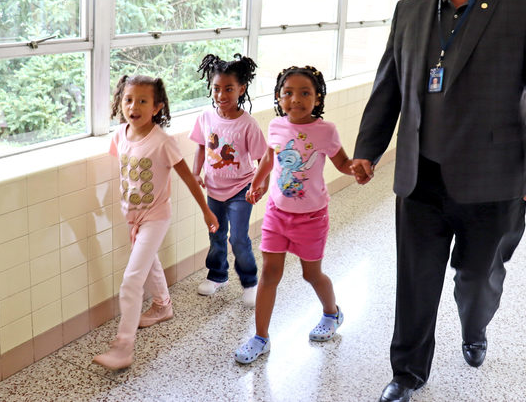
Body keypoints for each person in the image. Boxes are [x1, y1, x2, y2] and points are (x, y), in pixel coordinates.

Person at [351, 0, 526, 402]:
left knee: (476, 277)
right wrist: (368, 150)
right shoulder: (410, 10)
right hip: (420, 176)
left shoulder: (524, 7)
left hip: (493, 178)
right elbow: (389, 86)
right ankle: (407, 373)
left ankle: (475, 326)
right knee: (415, 282)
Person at [93, 75, 219, 370]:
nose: (133, 106)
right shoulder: (119, 134)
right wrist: (104, 202)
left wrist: (206, 211)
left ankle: (123, 348)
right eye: (128, 99)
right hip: (131, 215)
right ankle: (163, 305)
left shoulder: (163, 141)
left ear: (157, 107)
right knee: (148, 261)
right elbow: (124, 172)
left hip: (155, 217)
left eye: (142, 101)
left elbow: (188, 178)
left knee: (131, 279)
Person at [233, 65, 355, 364]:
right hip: (277, 213)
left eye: (305, 93)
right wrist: (257, 182)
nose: (295, 99)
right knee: (270, 273)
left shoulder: (325, 130)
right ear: (278, 96)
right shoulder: (276, 126)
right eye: (288, 93)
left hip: (312, 217)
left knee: (310, 274)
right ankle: (260, 337)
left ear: (317, 97)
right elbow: (270, 157)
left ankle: (332, 313)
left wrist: (359, 168)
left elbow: (343, 163)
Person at [190, 53, 268, 307]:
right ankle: (217, 275)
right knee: (216, 233)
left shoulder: (248, 124)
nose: (222, 95)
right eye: (216, 88)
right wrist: (195, 172)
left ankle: (249, 282)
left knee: (238, 238)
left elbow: (262, 160)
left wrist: (260, 186)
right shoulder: (206, 117)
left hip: (241, 189)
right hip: (214, 189)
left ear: (241, 89)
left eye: (229, 89)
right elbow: (201, 147)